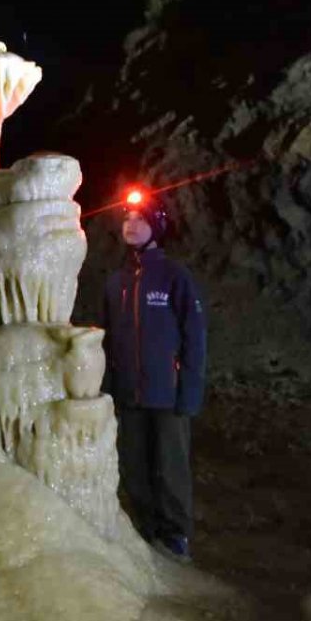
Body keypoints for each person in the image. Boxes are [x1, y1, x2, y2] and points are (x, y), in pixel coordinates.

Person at [102, 193, 206, 562]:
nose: (131, 225)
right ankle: (146, 530)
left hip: (168, 393)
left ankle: (176, 533)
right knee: (134, 465)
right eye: (128, 218)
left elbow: (195, 338)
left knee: (171, 465)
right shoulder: (116, 282)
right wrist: (109, 388)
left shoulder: (174, 277)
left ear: (156, 227)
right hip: (130, 393)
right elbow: (111, 339)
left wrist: (189, 393)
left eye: (140, 220)